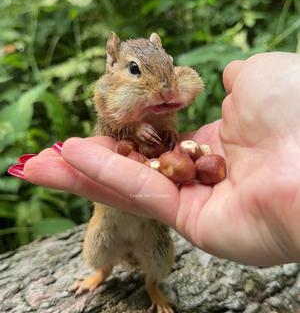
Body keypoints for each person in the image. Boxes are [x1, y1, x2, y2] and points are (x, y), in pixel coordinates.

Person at [9, 52, 300, 266]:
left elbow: (172, 116)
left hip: (150, 206)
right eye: (136, 70)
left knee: (157, 250)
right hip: (114, 202)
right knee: (100, 245)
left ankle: (153, 286)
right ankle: (101, 273)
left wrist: (170, 131)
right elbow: (111, 122)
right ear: (114, 64)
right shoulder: (111, 97)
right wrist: (135, 127)